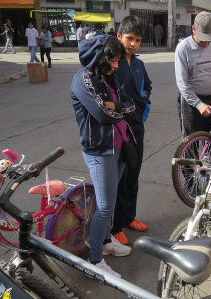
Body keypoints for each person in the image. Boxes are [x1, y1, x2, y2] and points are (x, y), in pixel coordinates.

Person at [71, 34, 135, 277]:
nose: (117, 65)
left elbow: (130, 105)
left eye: (118, 60)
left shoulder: (108, 77)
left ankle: (106, 242)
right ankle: (95, 262)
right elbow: (101, 114)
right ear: (100, 58)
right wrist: (114, 109)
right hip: (99, 150)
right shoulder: (83, 80)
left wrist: (114, 106)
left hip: (118, 146)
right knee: (106, 206)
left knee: (109, 200)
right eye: (114, 60)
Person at [111, 15, 153, 245]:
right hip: (118, 127)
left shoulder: (138, 64)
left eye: (137, 40)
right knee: (119, 175)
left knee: (133, 173)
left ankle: (129, 217)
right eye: (129, 38)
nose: (133, 44)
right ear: (119, 36)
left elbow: (148, 85)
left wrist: (144, 103)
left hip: (137, 125)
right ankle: (115, 226)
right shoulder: (111, 61)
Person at [175, 11, 211, 137]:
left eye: (209, 39)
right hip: (191, 103)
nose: (206, 43)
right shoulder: (183, 48)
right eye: (202, 39)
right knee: (190, 145)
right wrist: (199, 104)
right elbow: (182, 83)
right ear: (193, 29)